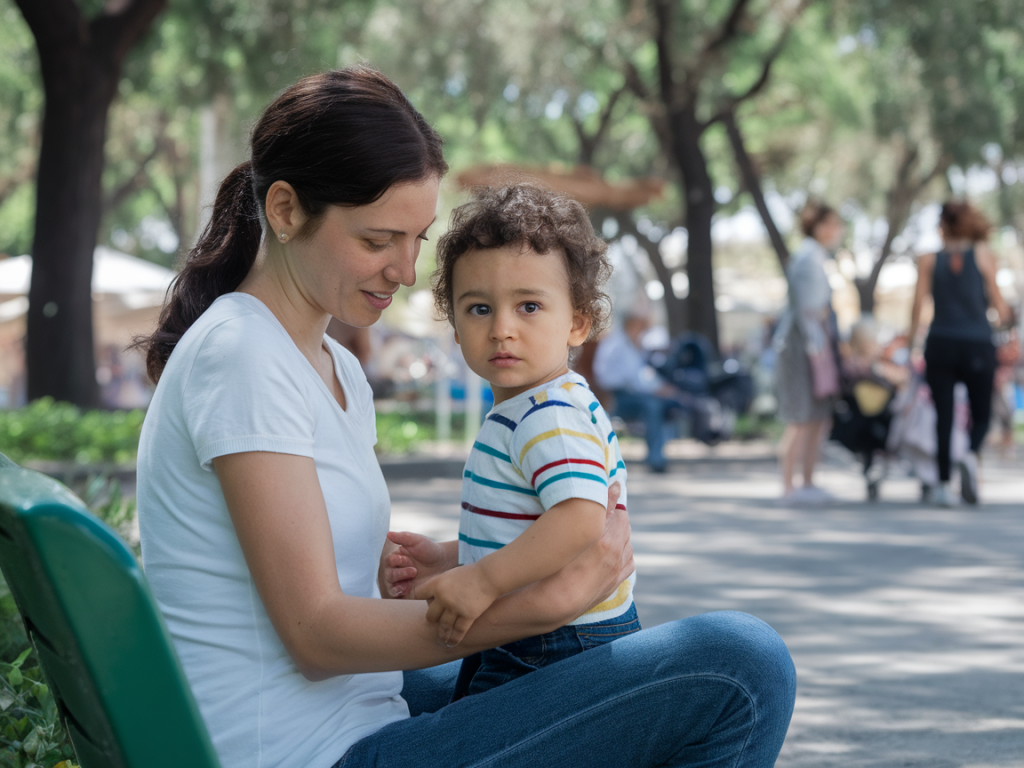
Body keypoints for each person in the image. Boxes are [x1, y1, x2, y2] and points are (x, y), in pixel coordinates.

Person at [135, 66, 796, 768]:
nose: (404, 271)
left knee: (634, 672)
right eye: (377, 240)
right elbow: (317, 636)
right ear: (286, 210)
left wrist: (453, 566)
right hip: (305, 753)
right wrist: (549, 604)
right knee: (740, 665)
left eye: (417, 240)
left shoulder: (335, 368)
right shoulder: (242, 354)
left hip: (363, 708)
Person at [422, 185, 639, 697]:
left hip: (558, 644)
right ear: (456, 327)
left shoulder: (549, 415)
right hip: (536, 631)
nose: (502, 329)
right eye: (479, 309)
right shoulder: (532, 406)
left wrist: (482, 581)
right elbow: (527, 527)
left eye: (529, 306)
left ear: (577, 323)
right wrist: (451, 557)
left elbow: (579, 519)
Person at [908, 201, 1012, 506]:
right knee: (982, 415)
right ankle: (969, 454)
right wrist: (1003, 320)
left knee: (943, 415)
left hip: (940, 342)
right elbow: (1000, 307)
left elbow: (918, 305)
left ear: (942, 226)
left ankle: (942, 485)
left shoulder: (928, 258)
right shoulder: (983, 254)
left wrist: (912, 341)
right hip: (977, 342)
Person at [773, 200, 844, 504]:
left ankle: (807, 482)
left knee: (817, 416)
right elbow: (810, 310)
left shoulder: (816, 257)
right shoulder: (807, 259)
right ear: (819, 226)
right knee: (800, 417)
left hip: (814, 347)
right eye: (834, 224)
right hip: (803, 348)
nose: (838, 231)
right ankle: (789, 487)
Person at [593, 307, 684, 471]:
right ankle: (656, 458)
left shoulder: (632, 345)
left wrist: (659, 387)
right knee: (652, 405)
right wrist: (655, 389)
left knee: (663, 403)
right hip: (614, 396)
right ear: (631, 324)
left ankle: (658, 453)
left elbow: (641, 376)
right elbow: (631, 379)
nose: (643, 331)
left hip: (631, 393)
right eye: (641, 326)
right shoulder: (616, 344)